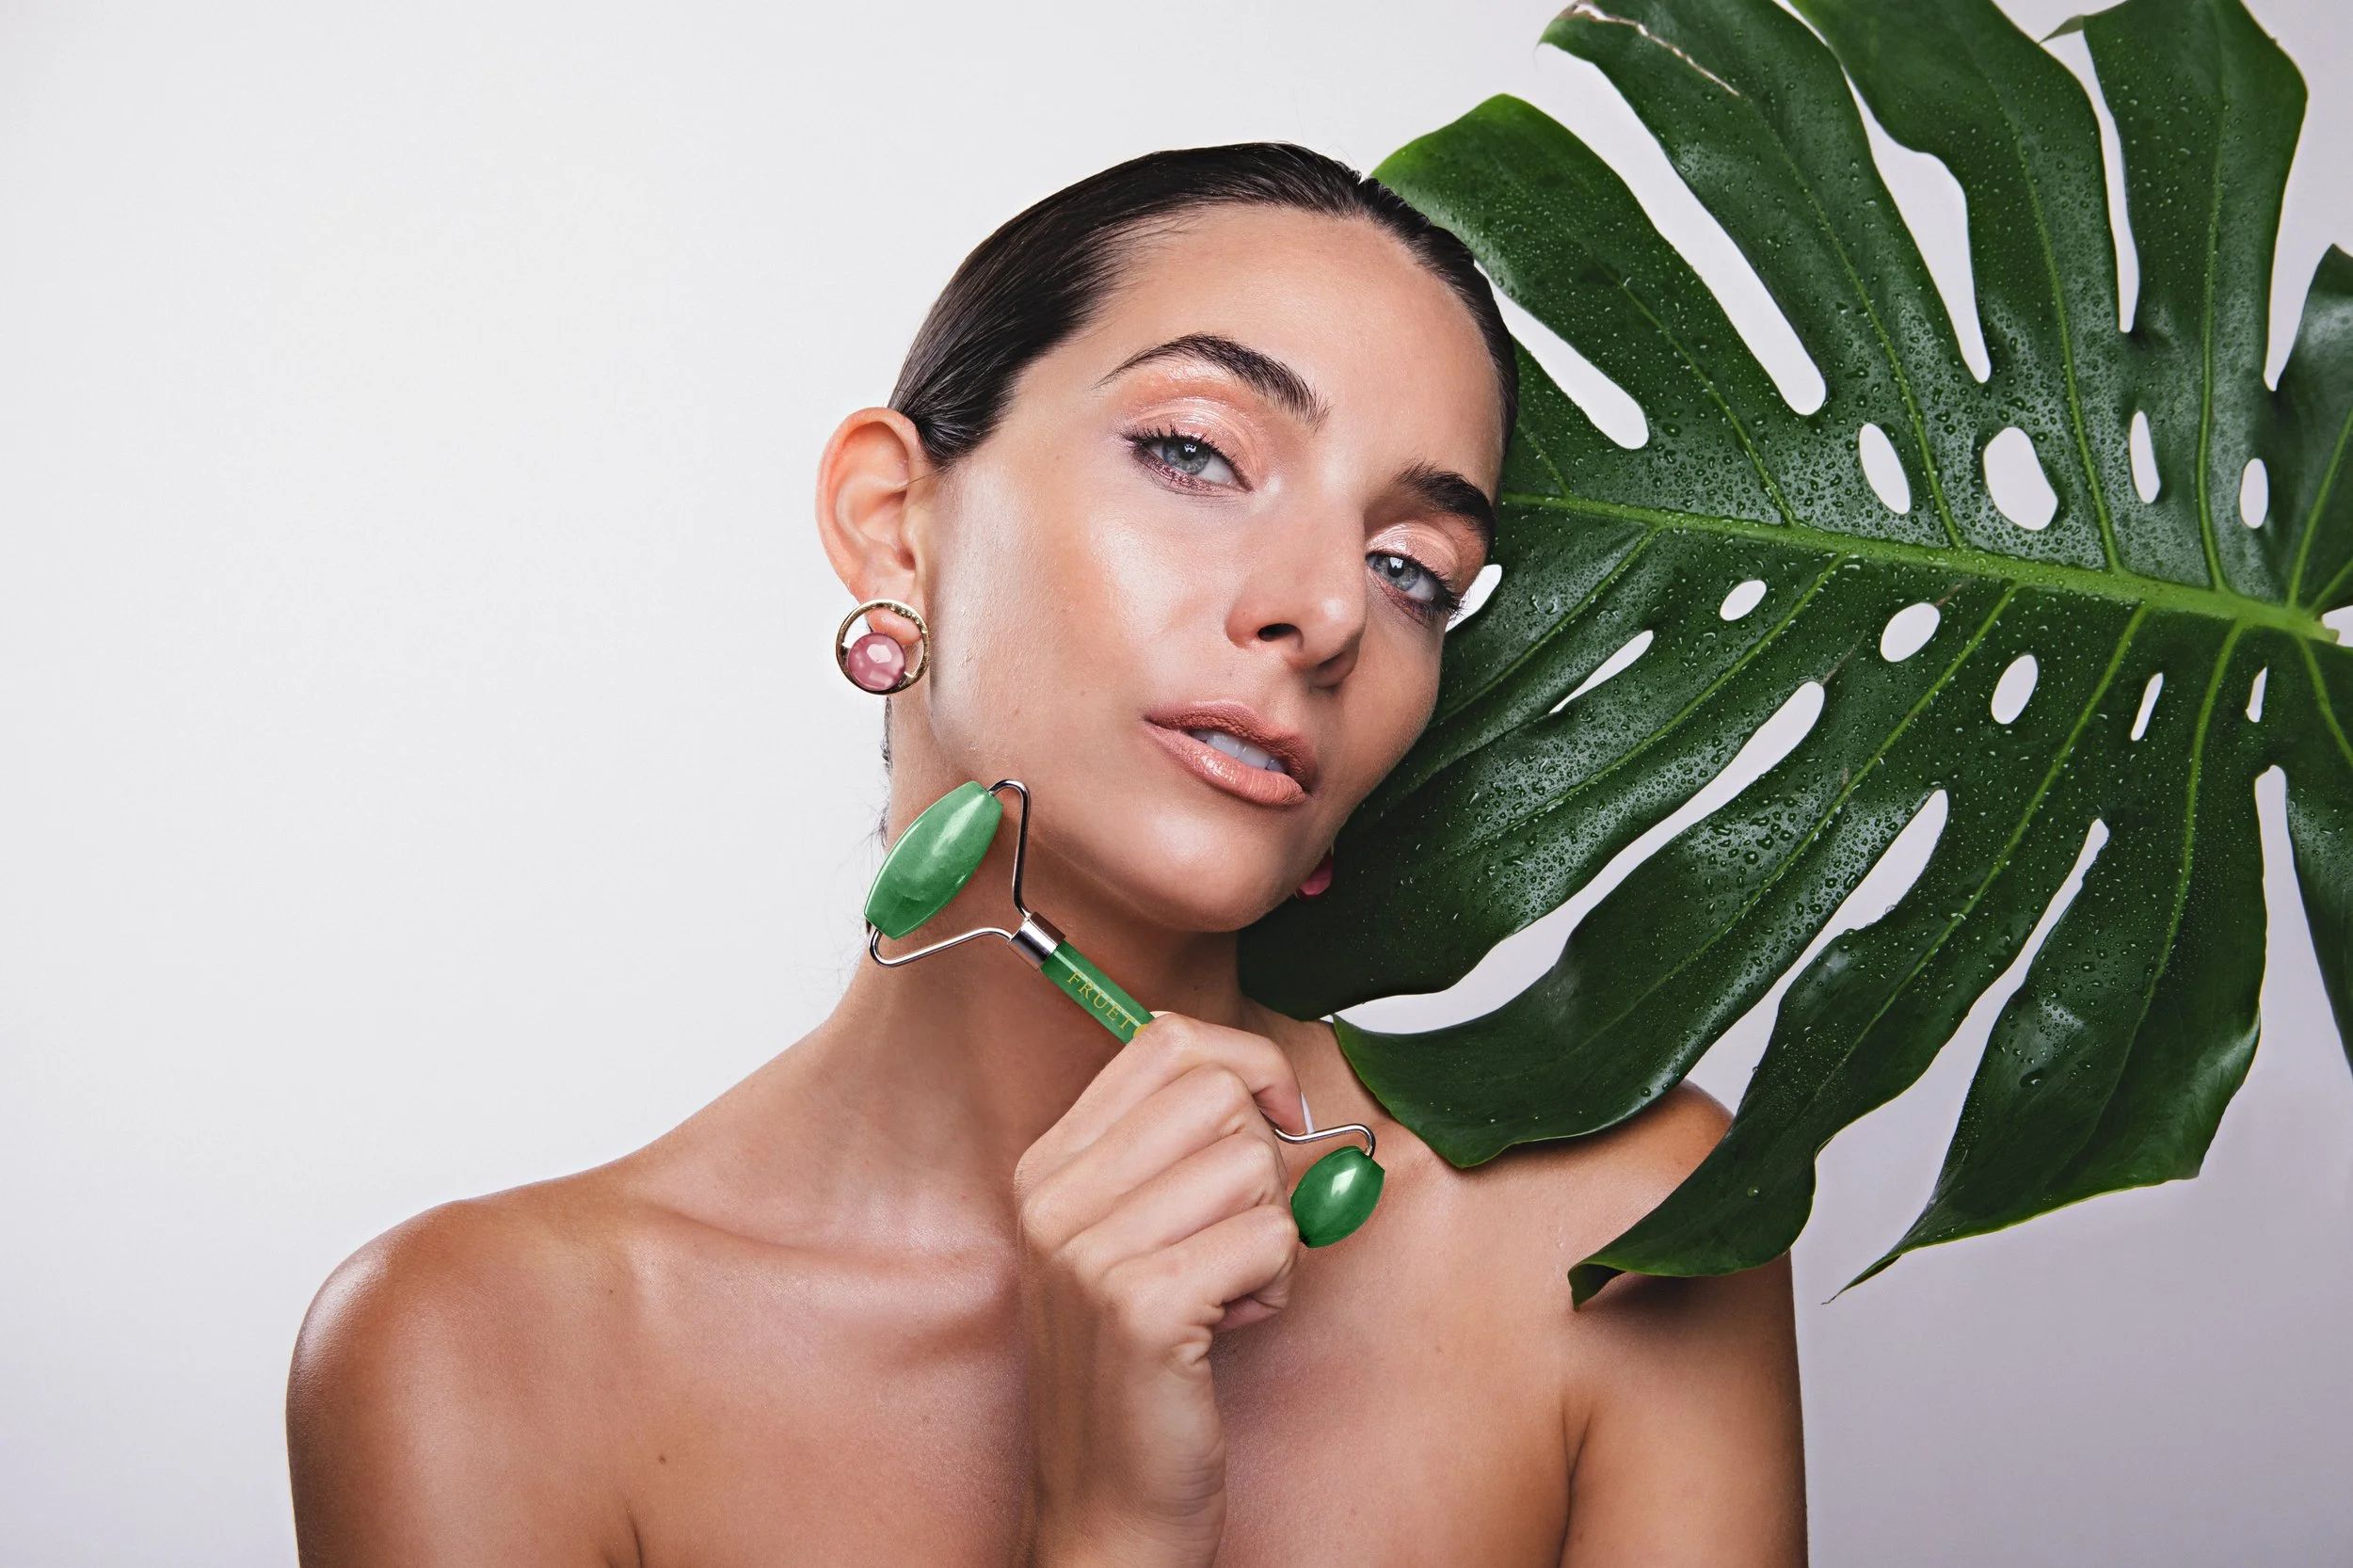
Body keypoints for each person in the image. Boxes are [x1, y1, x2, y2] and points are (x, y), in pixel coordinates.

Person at [286, 143, 1804, 1567]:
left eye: (1413, 568)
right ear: (894, 525)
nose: (1329, 611)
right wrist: (1110, 1523)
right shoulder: (482, 1351)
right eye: (1196, 453)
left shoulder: (1629, 1237)